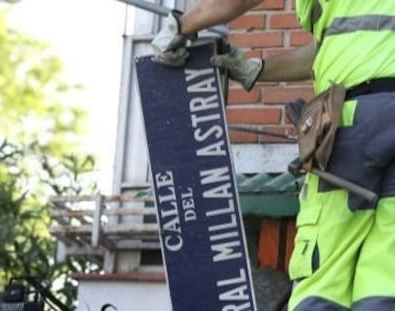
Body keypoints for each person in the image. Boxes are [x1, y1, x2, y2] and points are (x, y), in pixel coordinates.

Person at [151, 1, 395, 310]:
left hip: (355, 125)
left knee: (324, 275)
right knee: (386, 279)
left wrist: (183, 23)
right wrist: (258, 70)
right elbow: (339, 44)